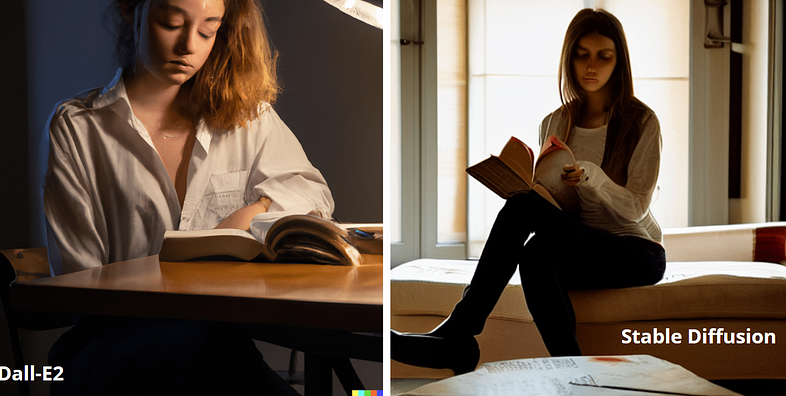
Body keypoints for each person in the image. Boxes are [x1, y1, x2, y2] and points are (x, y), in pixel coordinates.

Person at [43, 0, 333, 394]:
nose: (188, 46)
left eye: (207, 30)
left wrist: (256, 210)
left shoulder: (247, 117)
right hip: (106, 347)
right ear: (133, 11)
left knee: (214, 343)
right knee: (213, 342)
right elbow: (81, 284)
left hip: (210, 343)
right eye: (172, 22)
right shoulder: (78, 128)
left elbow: (312, 192)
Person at [392, 8, 666, 375]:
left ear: (620, 62)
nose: (592, 66)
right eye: (582, 54)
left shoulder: (641, 122)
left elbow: (635, 209)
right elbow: (564, 210)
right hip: (579, 243)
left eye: (604, 56)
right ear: (569, 58)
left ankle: (460, 333)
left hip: (634, 251)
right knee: (535, 253)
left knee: (524, 212)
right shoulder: (555, 122)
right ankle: (574, 372)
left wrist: (592, 177)